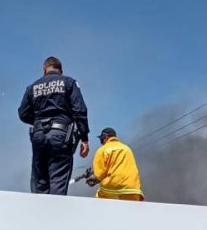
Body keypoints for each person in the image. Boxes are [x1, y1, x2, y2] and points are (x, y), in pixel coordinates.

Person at [18, 56, 90, 195]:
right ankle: (55, 209)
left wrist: (39, 122)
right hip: (60, 135)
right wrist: (84, 139)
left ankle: (39, 209)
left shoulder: (32, 87)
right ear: (61, 71)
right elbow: (80, 111)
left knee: (40, 182)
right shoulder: (69, 82)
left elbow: (23, 113)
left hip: (38, 136)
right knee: (58, 182)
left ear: (44, 69)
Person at [86, 127, 144, 201]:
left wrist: (92, 179)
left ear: (106, 137)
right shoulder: (127, 148)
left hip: (114, 184)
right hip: (133, 187)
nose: (101, 142)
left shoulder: (102, 150)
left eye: (101, 139)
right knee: (131, 207)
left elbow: (99, 175)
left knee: (100, 195)